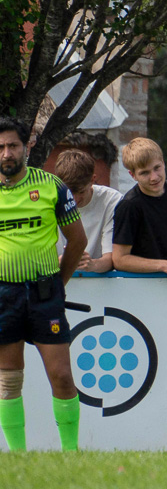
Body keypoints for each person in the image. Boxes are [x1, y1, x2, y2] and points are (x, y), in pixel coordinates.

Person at [0, 116, 85, 452]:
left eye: (13, 146)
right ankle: (18, 457)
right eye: (1, 147)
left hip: (44, 292)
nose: (6, 153)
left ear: (27, 147)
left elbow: (76, 240)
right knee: (8, 380)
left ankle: (71, 455)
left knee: (62, 376)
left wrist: (58, 284)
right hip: (4, 293)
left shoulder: (51, 185)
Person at [109, 136, 167, 281]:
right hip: (142, 286)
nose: (154, 177)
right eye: (144, 173)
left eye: (157, 168)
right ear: (133, 175)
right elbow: (119, 259)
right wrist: (163, 266)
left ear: (163, 163)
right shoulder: (128, 205)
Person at [52, 149, 118, 274]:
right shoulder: (45, 202)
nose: (75, 200)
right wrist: (56, 263)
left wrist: (92, 265)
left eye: (81, 191)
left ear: (92, 180)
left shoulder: (111, 201)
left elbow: (112, 259)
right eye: (68, 193)